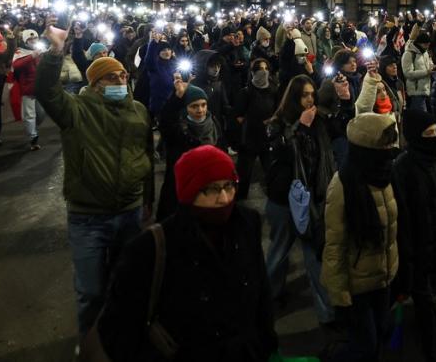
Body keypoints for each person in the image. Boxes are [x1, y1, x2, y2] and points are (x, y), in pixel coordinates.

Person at [87, 146, 278, 361]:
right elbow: (119, 330)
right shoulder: (151, 248)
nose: (224, 198)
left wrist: (265, 342)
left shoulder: (248, 224)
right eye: (211, 189)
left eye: (229, 185)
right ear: (189, 192)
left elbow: (261, 291)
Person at [37, 26, 155, 337]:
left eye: (123, 76)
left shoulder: (138, 111)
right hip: (89, 216)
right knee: (90, 291)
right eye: (111, 77)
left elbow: (146, 155)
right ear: (95, 83)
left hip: (129, 211)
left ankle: (119, 341)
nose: (120, 81)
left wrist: (147, 201)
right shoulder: (76, 109)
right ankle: (91, 347)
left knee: (125, 285)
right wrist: (54, 52)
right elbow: (47, 92)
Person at [322, 112, 401, 362]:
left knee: (379, 336)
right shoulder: (343, 184)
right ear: (368, 147)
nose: (390, 150)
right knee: (364, 345)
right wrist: (340, 295)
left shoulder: (384, 175)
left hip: (383, 277)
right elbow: (334, 244)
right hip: (357, 284)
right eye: (384, 144)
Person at [262, 75, 338, 328]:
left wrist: (346, 101)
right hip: (285, 199)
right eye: (304, 95)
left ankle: (328, 313)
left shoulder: (317, 120)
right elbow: (279, 156)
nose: (310, 99)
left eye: (311, 94)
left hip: (312, 198)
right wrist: (300, 129)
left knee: (314, 256)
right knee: (279, 252)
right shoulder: (278, 123)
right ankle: (267, 297)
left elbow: (338, 130)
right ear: (294, 97)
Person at [392, 108, 436, 362]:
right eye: (429, 133)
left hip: (434, 243)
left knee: (429, 297)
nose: (435, 137)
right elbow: (403, 216)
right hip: (415, 248)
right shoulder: (402, 168)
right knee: (426, 304)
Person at [156, 80, 223, 219]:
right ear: (186, 107)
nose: (200, 110)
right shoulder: (179, 130)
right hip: (179, 193)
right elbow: (166, 120)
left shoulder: (214, 124)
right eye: (194, 106)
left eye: (203, 105)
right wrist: (177, 97)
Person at [231, 57, 278, 199]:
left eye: (265, 69)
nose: (263, 72)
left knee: (271, 171)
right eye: (259, 69)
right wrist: (257, 123)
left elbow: (277, 110)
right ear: (252, 72)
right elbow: (238, 116)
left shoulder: (273, 90)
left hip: (268, 138)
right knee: (244, 173)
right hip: (250, 139)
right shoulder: (246, 92)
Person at [11, 32, 46, 150]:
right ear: (26, 41)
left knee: (41, 114)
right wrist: (32, 56)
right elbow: (16, 65)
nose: (33, 40)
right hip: (28, 88)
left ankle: (32, 128)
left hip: (40, 87)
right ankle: (33, 137)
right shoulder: (20, 52)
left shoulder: (41, 50)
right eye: (30, 39)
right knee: (30, 114)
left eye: (35, 38)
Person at [402, 31, 436, 113]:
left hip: (426, 90)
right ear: (419, 43)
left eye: (428, 44)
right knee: (421, 119)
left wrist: (433, 67)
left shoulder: (425, 53)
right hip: (416, 93)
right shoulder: (409, 54)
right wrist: (427, 72)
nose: (427, 47)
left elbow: (429, 65)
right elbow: (408, 73)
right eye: (425, 44)